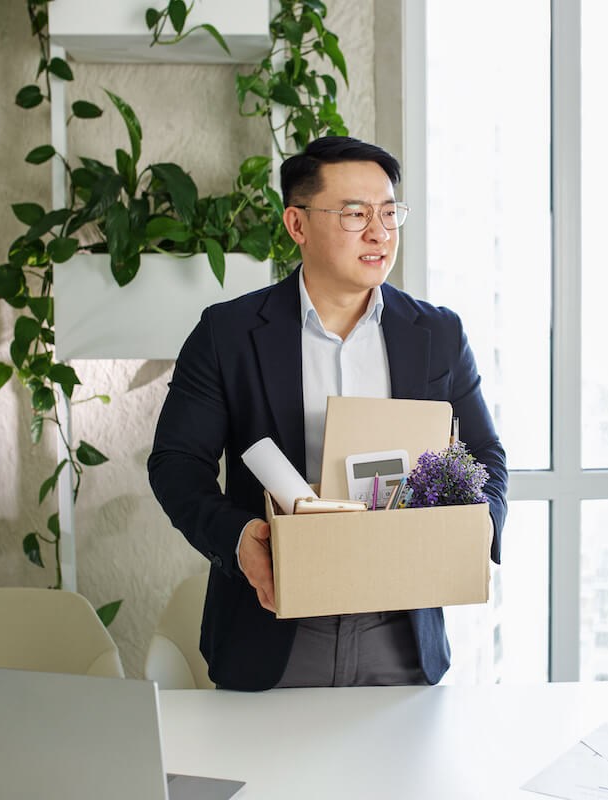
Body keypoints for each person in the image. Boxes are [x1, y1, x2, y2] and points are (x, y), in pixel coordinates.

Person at [147, 136, 507, 691]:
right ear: (297, 225)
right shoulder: (227, 334)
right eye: (354, 213)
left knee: (400, 778)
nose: (379, 233)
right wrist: (238, 535)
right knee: (267, 779)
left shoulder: (437, 334)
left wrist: (477, 528)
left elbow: (485, 455)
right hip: (275, 625)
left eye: (389, 213)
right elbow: (176, 462)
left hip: (401, 630)